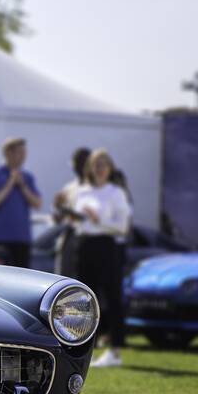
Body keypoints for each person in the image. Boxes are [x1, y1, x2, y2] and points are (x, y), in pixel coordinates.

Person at [73, 149, 133, 368]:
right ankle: (83, 348)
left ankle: (114, 351)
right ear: (90, 168)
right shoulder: (82, 193)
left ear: (110, 169)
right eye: (96, 164)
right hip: (85, 245)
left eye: (103, 165)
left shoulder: (116, 193)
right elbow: (79, 223)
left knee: (112, 298)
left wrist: (98, 220)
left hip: (107, 246)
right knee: (85, 300)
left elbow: (122, 227)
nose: (99, 169)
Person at [0, 137, 41, 267]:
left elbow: (37, 204)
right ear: (8, 153)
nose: (23, 157)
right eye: (20, 152)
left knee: (22, 279)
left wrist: (22, 186)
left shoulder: (27, 177)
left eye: (24, 153)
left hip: (22, 239)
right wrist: (10, 182)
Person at [52, 147, 91, 276]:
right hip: (69, 237)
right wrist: (57, 208)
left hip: (88, 239)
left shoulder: (95, 187)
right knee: (64, 277)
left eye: (82, 162)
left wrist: (67, 211)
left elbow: (88, 217)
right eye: (75, 162)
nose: (77, 166)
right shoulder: (70, 187)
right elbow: (59, 219)